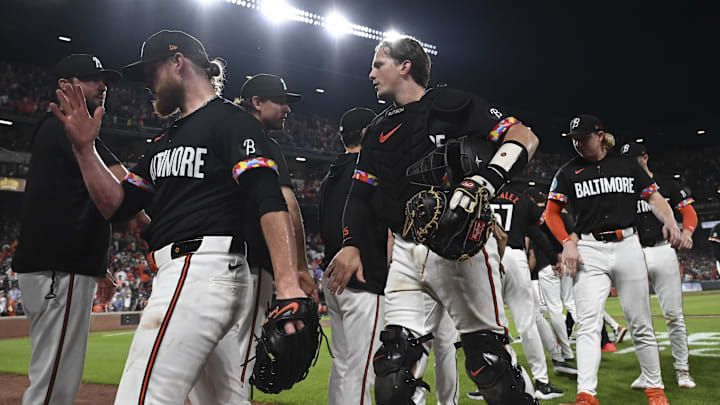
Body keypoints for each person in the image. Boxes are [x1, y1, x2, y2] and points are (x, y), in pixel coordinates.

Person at [50, 30, 307, 404]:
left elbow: (269, 198)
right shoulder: (164, 139)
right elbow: (118, 206)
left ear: (178, 62)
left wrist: (287, 284)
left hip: (202, 268)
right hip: (189, 273)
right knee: (223, 399)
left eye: (150, 72)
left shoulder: (231, 121)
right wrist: (86, 150)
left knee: (142, 397)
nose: (147, 84)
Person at [326, 36, 541, 404]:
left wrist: (485, 180)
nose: (370, 73)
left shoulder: (452, 104)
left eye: (379, 64)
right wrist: (350, 244)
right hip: (407, 255)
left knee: (487, 363)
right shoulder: (377, 129)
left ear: (404, 66)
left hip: (462, 252)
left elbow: (524, 136)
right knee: (393, 369)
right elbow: (359, 196)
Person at [188, 73, 318, 405]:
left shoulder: (212, 133)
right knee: (240, 363)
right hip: (250, 263)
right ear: (257, 103)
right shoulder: (264, 143)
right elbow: (287, 204)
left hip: (200, 262)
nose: (288, 108)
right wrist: (298, 267)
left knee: (204, 362)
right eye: (281, 101)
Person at [12, 54, 127, 405]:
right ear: (66, 86)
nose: (102, 86)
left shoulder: (64, 130)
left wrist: (100, 266)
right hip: (60, 270)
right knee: (54, 383)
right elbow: (120, 181)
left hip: (57, 268)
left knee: (52, 373)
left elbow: (73, 202)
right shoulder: (66, 127)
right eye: (92, 79)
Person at [545, 114, 680, 405]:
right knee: (588, 324)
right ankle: (586, 395)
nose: (578, 143)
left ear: (600, 135)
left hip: (629, 244)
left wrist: (669, 219)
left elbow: (654, 198)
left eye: (584, 137)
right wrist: (567, 242)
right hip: (590, 249)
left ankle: (655, 390)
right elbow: (551, 212)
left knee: (640, 321)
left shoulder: (628, 165)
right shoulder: (568, 172)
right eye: (574, 139)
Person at [319, 107, 389, 405]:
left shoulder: (331, 173)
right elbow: (385, 230)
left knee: (344, 365)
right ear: (367, 133)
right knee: (361, 372)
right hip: (364, 280)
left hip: (335, 279)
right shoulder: (370, 171)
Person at [621, 142, 697, 389]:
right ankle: (647, 373)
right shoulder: (622, 189)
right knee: (637, 319)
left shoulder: (666, 184)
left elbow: (689, 212)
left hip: (663, 249)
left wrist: (687, 231)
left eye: (635, 158)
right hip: (633, 252)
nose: (632, 163)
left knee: (674, 315)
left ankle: (682, 370)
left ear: (645, 157)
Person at [491, 183, 568, 399]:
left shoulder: (482, 193)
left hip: (486, 257)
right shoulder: (521, 199)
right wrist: (556, 254)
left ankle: (490, 381)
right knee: (527, 323)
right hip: (514, 256)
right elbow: (540, 228)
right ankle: (542, 382)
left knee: (490, 326)